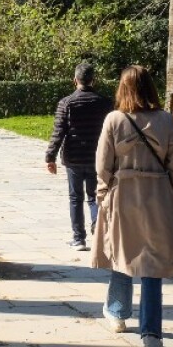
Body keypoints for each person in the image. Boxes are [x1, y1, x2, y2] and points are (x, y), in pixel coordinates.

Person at [91, 65, 173, 347]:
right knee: (152, 265)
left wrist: (101, 197)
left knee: (122, 255)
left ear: (123, 88)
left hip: (123, 195)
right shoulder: (166, 120)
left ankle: (118, 313)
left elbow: (102, 165)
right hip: (158, 195)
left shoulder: (114, 119)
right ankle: (151, 332)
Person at [46, 62, 114, 251]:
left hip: (73, 157)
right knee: (94, 196)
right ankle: (96, 225)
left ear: (75, 80)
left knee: (75, 197)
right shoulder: (105, 103)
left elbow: (59, 131)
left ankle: (78, 239)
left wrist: (50, 157)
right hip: (97, 156)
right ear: (94, 80)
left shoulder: (66, 103)